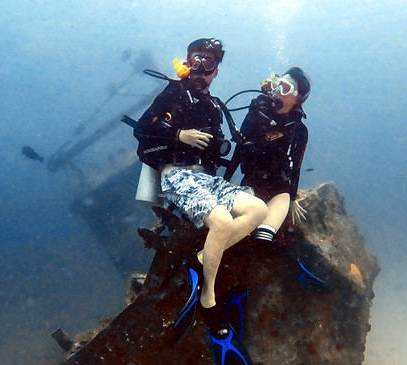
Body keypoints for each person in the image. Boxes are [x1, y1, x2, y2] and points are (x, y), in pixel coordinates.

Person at [133, 38, 268, 315]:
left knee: (258, 210)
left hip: (206, 178)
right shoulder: (174, 91)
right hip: (177, 175)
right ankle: (208, 292)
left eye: (209, 61)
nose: (201, 65)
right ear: (187, 60)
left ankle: (205, 257)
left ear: (216, 70)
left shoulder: (215, 105)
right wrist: (179, 134)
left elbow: (216, 151)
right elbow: (143, 127)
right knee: (220, 222)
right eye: (197, 58)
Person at [225, 67, 312, 246]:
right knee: (236, 232)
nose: (277, 91)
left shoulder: (299, 130)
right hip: (251, 182)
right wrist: (225, 183)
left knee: (263, 239)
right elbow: (239, 148)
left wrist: (293, 198)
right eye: (277, 85)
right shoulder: (257, 113)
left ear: (298, 99)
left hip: (279, 190)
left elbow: (297, 166)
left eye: (285, 88)